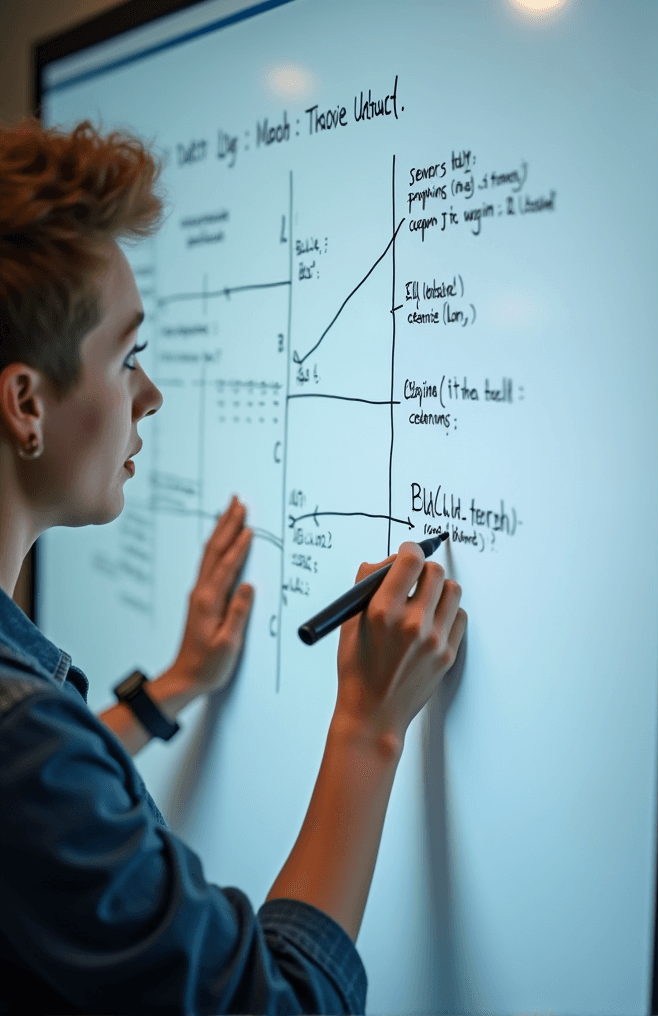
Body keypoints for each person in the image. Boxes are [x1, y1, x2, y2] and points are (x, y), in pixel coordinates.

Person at [0, 116, 467, 1016]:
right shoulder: (23, 746)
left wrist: (168, 688)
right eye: (128, 356)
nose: (151, 394)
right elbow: (280, 1005)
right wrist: (367, 727)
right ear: (26, 402)